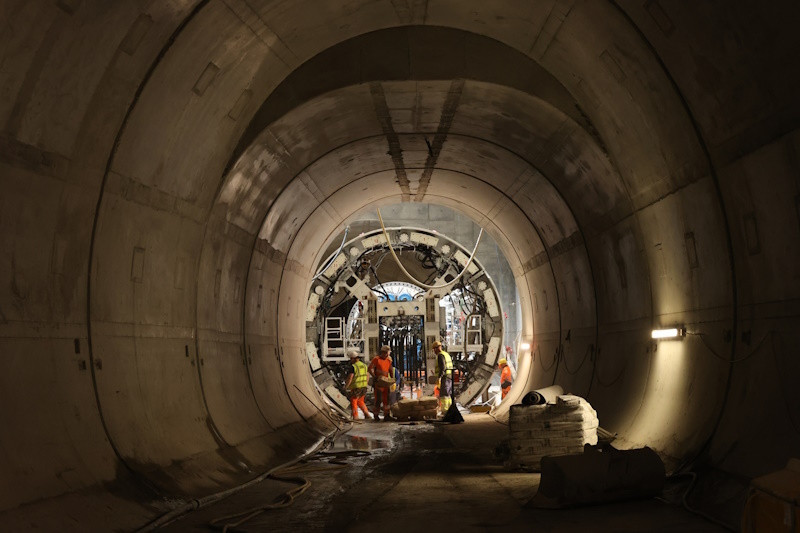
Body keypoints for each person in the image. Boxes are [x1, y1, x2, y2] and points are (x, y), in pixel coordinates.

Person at [368, 345, 395, 421]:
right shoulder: (376, 359)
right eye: (387, 353)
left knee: (387, 400)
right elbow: (370, 369)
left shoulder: (389, 360)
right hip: (379, 383)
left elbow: (390, 369)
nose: (388, 354)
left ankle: (387, 415)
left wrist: (392, 378)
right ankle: (376, 415)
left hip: (386, 382)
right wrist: (374, 377)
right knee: (378, 400)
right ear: (383, 352)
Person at [345, 349, 372, 420]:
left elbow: (350, 378)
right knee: (360, 401)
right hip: (363, 386)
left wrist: (346, 387)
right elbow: (368, 375)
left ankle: (355, 416)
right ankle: (367, 414)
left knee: (354, 401)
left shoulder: (353, 366)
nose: (350, 360)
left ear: (353, 358)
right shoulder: (364, 365)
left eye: (351, 359)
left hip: (356, 387)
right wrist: (365, 383)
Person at [432, 340, 453, 413]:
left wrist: (439, 377)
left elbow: (442, 368)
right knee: (448, 394)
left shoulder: (440, 355)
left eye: (434, 349)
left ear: (437, 348)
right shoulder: (446, 354)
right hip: (449, 376)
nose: (434, 351)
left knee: (444, 394)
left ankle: (445, 411)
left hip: (445, 377)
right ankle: (450, 410)